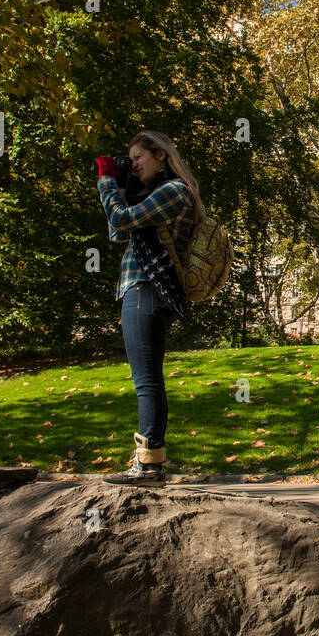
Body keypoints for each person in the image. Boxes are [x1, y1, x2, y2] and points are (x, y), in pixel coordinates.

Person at [95, 130, 201, 484]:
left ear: (160, 155)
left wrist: (107, 182)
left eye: (137, 156)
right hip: (141, 289)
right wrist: (120, 187)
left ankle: (149, 462)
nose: (134, 163)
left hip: (147, 288)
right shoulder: (152, 195)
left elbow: (121, 219)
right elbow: (117, 231)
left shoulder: (174, 191)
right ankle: (149, 459)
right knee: (147, 378)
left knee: (146, 381)